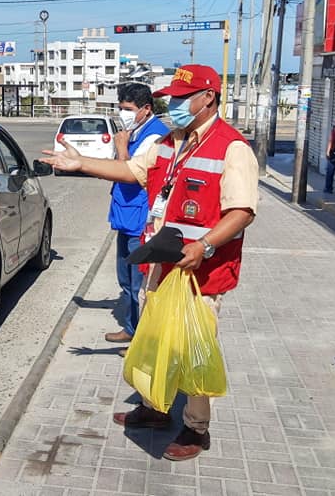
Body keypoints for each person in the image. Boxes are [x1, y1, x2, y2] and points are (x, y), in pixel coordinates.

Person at [41, 65, 258, 462]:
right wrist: (82, 165)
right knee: (157, 340)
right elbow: (131, 171)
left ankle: (196, 428)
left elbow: (241, 212)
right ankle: (155, 408)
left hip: (201, 273)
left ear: (207, 97)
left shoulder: (232, 148)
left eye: (179, 97)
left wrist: (205, 246)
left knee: (194, 348)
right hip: (162, 266)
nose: (171, 104)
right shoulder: (171, 142)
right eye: (170, 97)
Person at [104, 83, 170, 355]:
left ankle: (141, 343)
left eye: (128, 109)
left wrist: (121, 147)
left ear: (146, 109)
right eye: (120, 108)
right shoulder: (134, 131)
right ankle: (131, 328)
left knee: (139, 283)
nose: (123, 114)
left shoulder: (155, 136)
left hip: (141, 219)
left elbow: (131, 171)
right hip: (125, 215)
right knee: (125, 278)